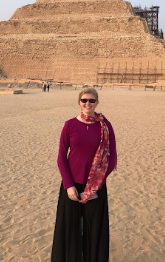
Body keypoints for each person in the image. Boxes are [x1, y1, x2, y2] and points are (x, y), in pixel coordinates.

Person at [51, 87, 117, 262]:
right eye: (84, 100)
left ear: (97, 102)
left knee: (94, 229)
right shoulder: (70, 125)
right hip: (72, 185)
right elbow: (61, 157)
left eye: (91, 100)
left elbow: (112, 158)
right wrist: (68, 186)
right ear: (79, 102)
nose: (88, 104)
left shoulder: (105, 126)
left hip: (96, 187)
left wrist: (96, 186)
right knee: (69, 228)